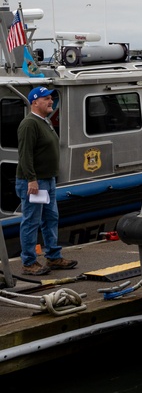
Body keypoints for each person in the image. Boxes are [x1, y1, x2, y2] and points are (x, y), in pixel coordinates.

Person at [15, 87, 77, 276]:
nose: (51, 101)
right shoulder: (29, 124)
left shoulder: (45, 121)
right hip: (34, 182)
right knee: (31, 221)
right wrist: (31, 180)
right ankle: (29, 262)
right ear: (35, 102)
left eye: (51, 98)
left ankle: (53, 256)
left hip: (47, 180)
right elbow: (25, 155)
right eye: (46, 99)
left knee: (51, 218)